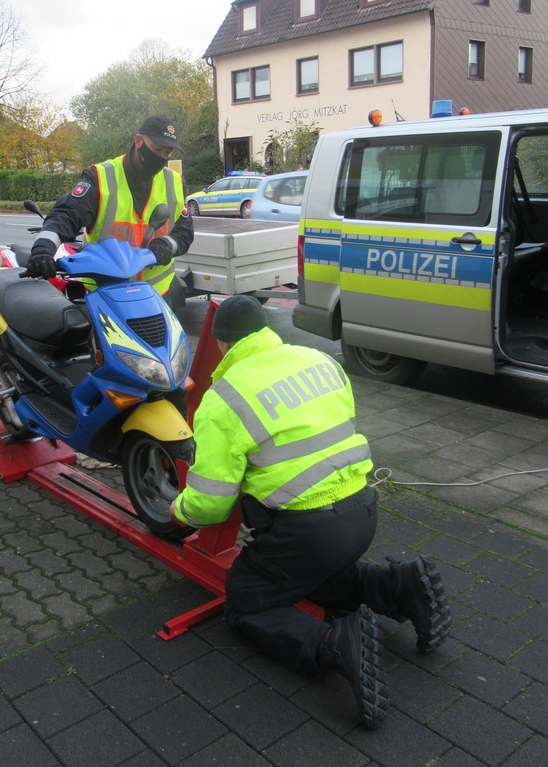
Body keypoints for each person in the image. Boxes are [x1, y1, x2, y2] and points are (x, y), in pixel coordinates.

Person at [170, 296, 451, 730]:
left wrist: (178, 509)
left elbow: (211, 502)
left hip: (306, 528)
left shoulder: (222, 399)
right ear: (265, 329)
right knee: (318, 576)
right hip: (362, 509)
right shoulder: (318, 359)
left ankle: (333, 644)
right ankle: (399, 586)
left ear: (222, 345)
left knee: (248, 601)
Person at [27, 115, 193, 299]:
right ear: (139, 141)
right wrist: (43, 248)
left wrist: (167, 245)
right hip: (104, 293)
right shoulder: (101, 177)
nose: (162, 157)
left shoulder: (174, 182)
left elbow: (184, 232)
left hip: (156, 295)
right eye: (157, 149)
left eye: (168, 152)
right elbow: (67, 214)